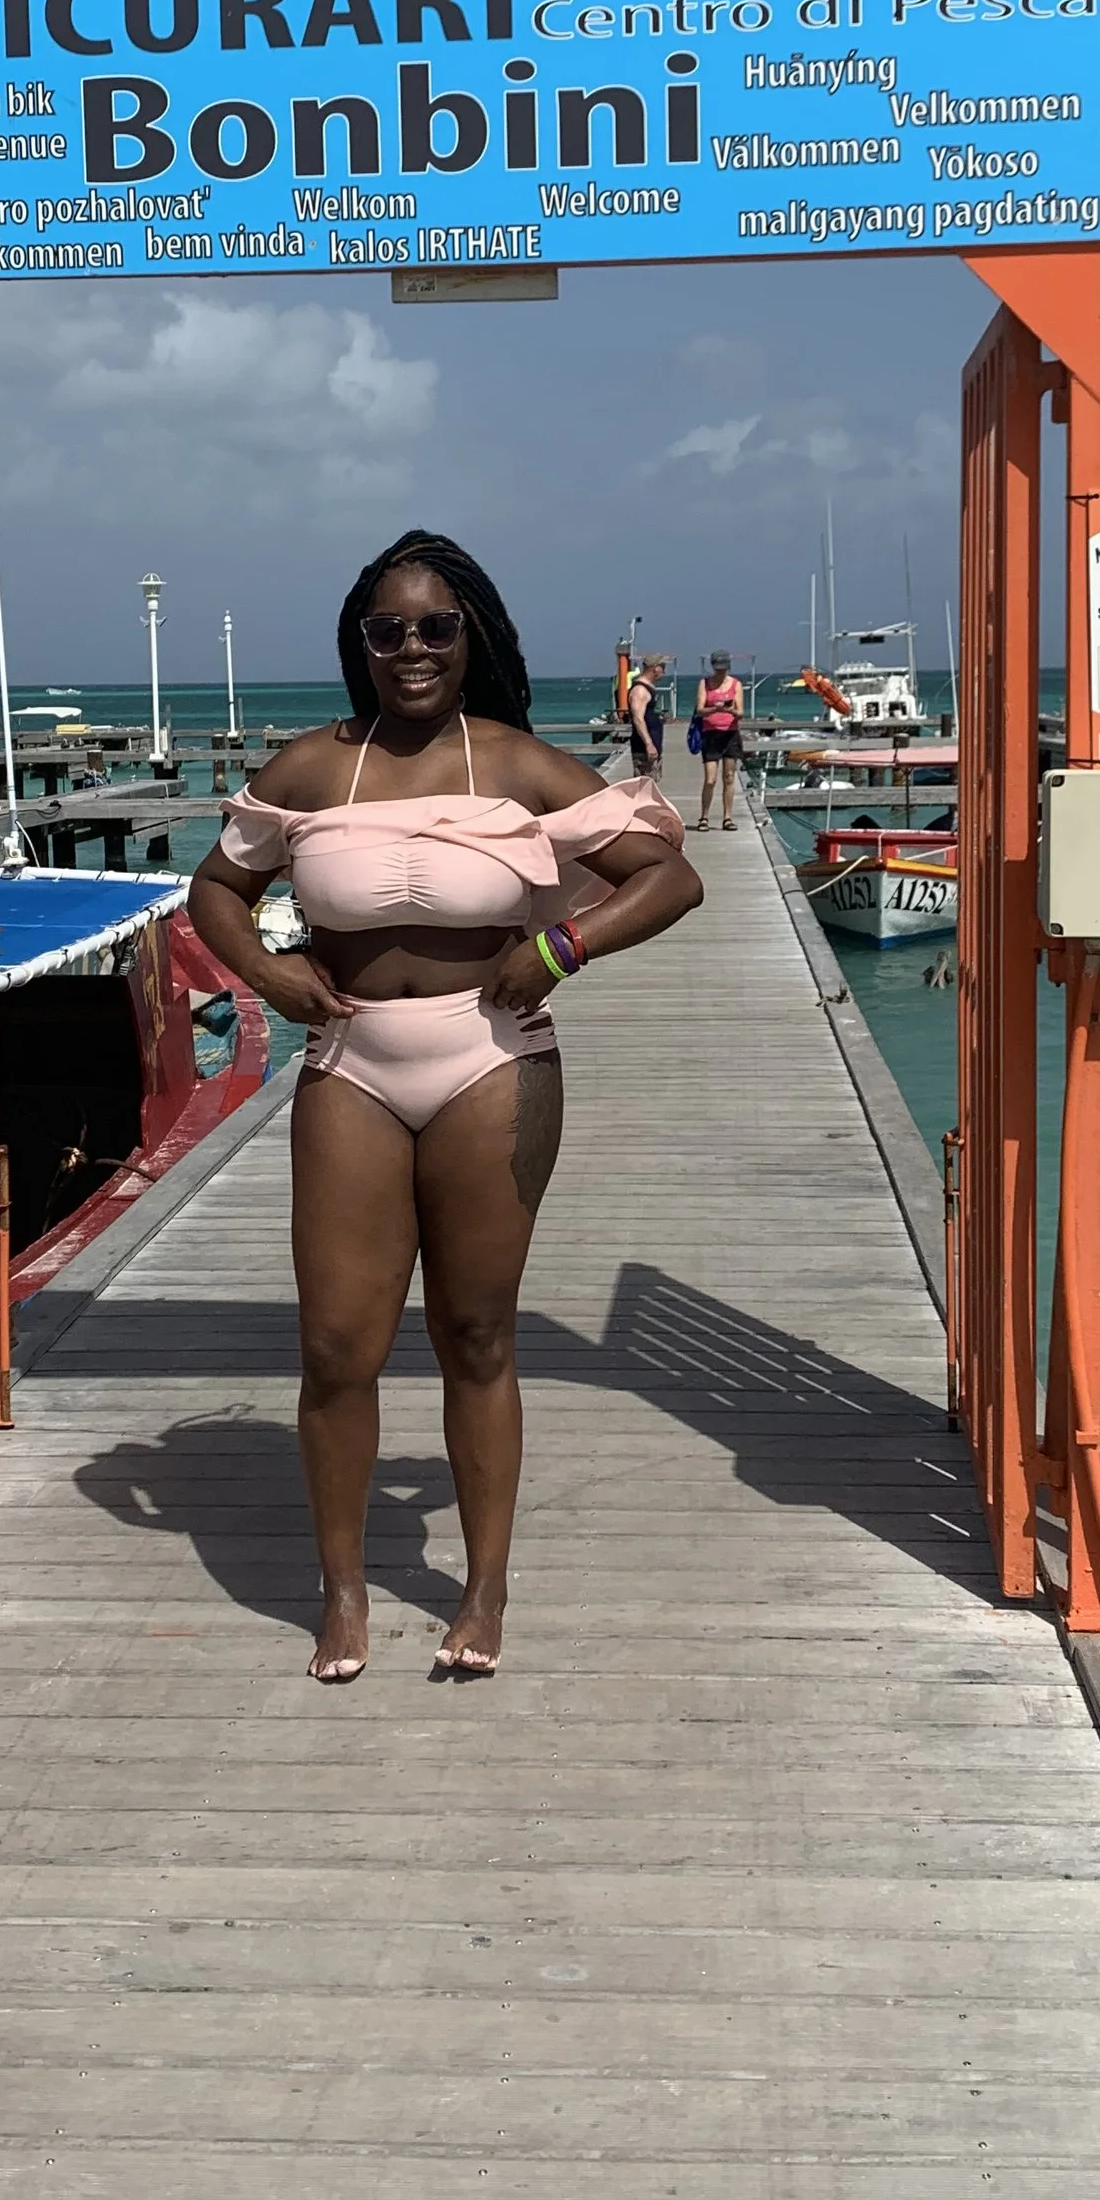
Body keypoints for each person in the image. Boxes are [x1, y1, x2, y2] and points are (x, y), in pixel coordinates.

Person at [188, 533, 700, 1682]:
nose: (410, 649)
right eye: (387, 630)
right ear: (358, 644)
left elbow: (669, 876)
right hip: (350, 1064)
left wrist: (563, 944)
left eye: (433, 627)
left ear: (471, 634)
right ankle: (345, 1592)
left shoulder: (520, 765)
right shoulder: (310, 768)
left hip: (492, 1057)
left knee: (475, 1334)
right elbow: (216, 887)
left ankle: (482, 1588)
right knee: (334, 1347)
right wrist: (267, 976)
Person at [694, 650, 746, 829]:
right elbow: (700, 709)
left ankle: (727, 817)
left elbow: (740, 712)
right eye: (718, 669)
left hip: (730, 734)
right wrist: (714, 709)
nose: (721, 672)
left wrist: (730, 710)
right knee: (710, 779)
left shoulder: (736, 684)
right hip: (711, 734)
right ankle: (704, 817)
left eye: (723, 669)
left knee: (729, 777)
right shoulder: (705, 683)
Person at [625, 650, 669, 778]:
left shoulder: (648, 688)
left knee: (652, 783)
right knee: (644, 787)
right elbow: (638, 719)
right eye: (663, 668)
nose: (664, 672)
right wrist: (649, 744)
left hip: (653, 745)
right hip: (644, 748)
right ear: (656, 669)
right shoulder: (640, 690)